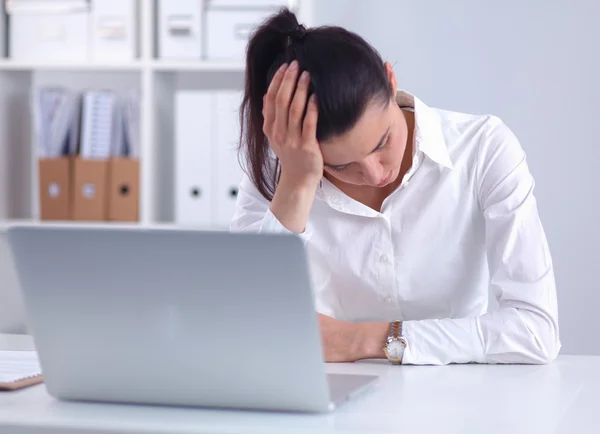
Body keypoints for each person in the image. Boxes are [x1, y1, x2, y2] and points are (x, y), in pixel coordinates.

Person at [230, 8, 560, 365]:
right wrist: (297, 183)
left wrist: (362, 340)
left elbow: (535, 330)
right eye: (340, 166)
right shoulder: (280, 170)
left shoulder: (482, 149)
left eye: (382, 142)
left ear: (391, 81)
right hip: (327, 404)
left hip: (460, 401)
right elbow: (247, 329)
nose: (373, 173)